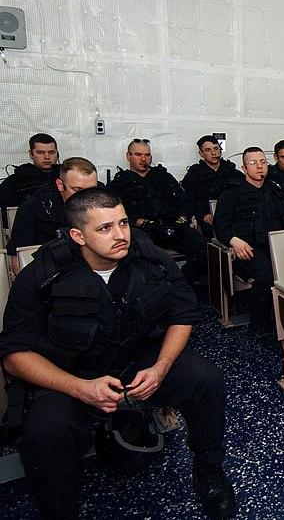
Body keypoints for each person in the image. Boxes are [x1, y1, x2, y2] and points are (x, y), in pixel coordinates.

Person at [0, 187, 235, 519]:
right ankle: (58, 509)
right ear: (77, 236)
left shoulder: (151, 259)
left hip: (139, 358)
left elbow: (183, 316)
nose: (120, 235)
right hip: (72, 372)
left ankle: (208, 467)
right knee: (45, 431)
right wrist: (79, 387)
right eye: (105, 228)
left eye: (123, 223)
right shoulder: (42, 275)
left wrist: (161, 367)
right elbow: (15, 353)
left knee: (205, 379)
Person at [213, 147, 284, 340]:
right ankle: (260, 323)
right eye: (253, 163)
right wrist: (235, 241)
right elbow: (221, 226)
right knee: (266, 276)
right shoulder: (232, 192)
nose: (259, 167)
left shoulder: (274, 190)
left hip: (276, 245)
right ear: (244, 168)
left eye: (263, 162)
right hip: (249, 249)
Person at [107, 138, 207, 284]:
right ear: (128, 156)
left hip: (174, 226)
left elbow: (186, 201)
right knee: (142, 258)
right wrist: (138, 221)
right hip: (145, 230)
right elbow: (115, 212)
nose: (143, 159)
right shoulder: (120, 183)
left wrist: (183, 219)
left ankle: (181, 283)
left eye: (147, 155)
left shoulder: (163, 177)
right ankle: (159, 289)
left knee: (206, 250)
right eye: (138, 154)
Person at [7, 157, 98, 275]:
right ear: (60, 185)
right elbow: (19, 260)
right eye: (77, 190)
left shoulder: (103, 204)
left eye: (91, 190)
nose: (85, 197)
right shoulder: (32, 209)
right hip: (50, 274)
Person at [181, 135, 243, 241]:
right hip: (208, 220)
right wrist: (203, 215)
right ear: (201, 154)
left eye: (216, 149)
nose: (214, 153)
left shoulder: (231, 171)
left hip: (234, 218)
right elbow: (189, 200)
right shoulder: (194, 175)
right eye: (208, 150)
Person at [0, 133, 60, 222]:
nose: (47, 157)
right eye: (40, 152)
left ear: (57, 153)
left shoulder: (67, 177)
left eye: (51, 152)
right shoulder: (15, 180)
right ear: (31, 154)